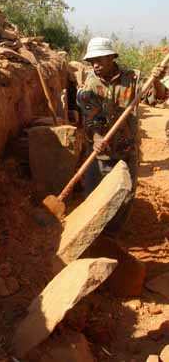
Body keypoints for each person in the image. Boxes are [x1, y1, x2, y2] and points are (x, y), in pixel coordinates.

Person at [77, 37, 141, 235]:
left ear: (112, 57)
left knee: (126, 195)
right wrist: (96, 137)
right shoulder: (89, 85)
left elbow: (154, 98)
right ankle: (95, 235)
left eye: (100, 60)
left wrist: (156, 81)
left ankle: (113, 235)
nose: (95, 65)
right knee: (94, 193)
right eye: (91, 61)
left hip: (126, 147)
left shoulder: (133, 78)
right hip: (100, 150)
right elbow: (89, 118)